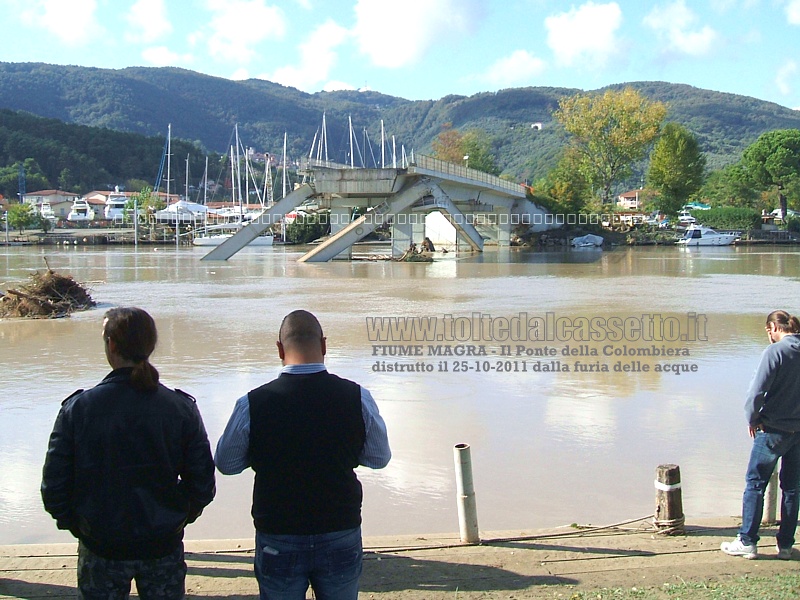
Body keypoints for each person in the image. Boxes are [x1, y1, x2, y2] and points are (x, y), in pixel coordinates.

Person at [215, 309, 391, 600]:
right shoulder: (357, 397)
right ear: (324, 345)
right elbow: (379, 458)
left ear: (279, 349)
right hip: (339, 528)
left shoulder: (252, 403)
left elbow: (227, 464)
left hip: (278, 534)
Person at [41, 307, 216, 598]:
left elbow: (54, 487)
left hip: (101, 546)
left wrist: (81, 526)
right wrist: (177, 518)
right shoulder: (180, 408)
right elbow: (203, 484)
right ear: (150, 345)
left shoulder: (79, 409)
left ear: (111, 345)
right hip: (162, 545)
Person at [721, 310, 800, 560]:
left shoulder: (774, 352)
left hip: (772, 430)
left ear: (772, 328)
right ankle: (786, 546)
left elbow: (756, 392)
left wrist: (752, 419)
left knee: (755, 484)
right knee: (792, 488)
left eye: (768, 332)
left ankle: (747, 541)